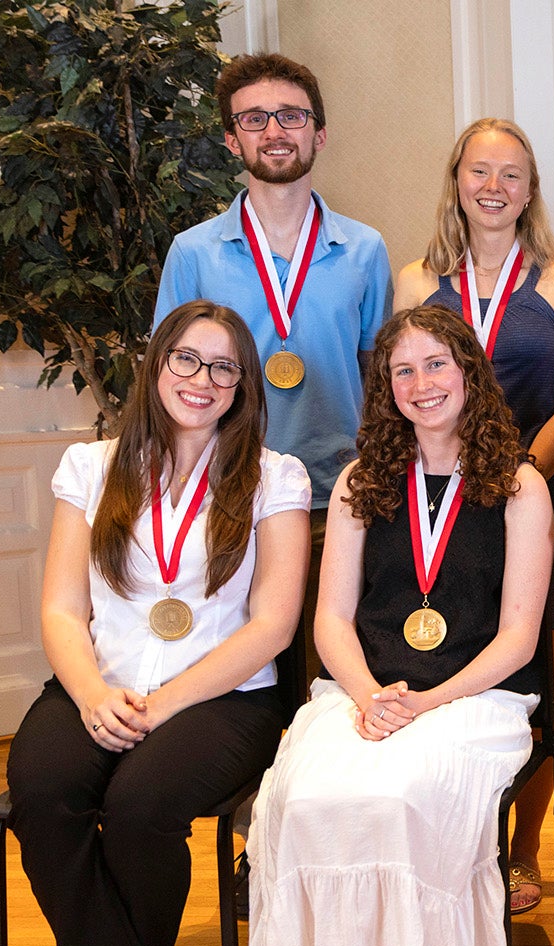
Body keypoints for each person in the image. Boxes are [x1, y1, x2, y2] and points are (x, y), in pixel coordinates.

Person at [7, 301, 311, 946]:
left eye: (223, 368)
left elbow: (275, 624)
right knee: (45, 791)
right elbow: (62, 610)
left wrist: (166, 701)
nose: (201, 380)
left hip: (222, 699)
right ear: (156, 365)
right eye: (186, 359)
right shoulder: (91, 466)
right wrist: (95, 694)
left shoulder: (276, 477)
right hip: (99, 684)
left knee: (140, 805)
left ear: (244, 387)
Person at [247, 305, 551, 946]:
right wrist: (366, 696)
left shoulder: (520, 485)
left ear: (469, 374)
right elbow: (331, 620)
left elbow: (519, 637)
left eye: (437, 365)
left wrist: (426, 702)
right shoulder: (362, 481)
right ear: (386, 390)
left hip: (478, 699)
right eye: (402, 371)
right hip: (360, 691)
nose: (422, 384)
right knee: (306, 799)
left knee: (403, 796)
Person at [395, 117, 554, 916]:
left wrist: (516, 482)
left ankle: (521, 852)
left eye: (512, 174)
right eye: (480, 171)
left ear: (530, 190)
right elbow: (404, 389)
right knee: (442, 663)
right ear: (457, 181)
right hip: (434, 510)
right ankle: (456, 839)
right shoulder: (417, 281)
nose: (494, 187)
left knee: (534, 681)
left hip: (529, 498)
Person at [156, 53, 393, 699]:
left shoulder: (366, 250)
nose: (274, 131)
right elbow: (167, 386)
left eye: (291, 115)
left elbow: (380, 379)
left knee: (324, 683)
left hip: (333, 500)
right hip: (227, 498)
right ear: (233, 138)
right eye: (255, 119)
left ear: (319, 131)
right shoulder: (193, 251)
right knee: (239, 685)